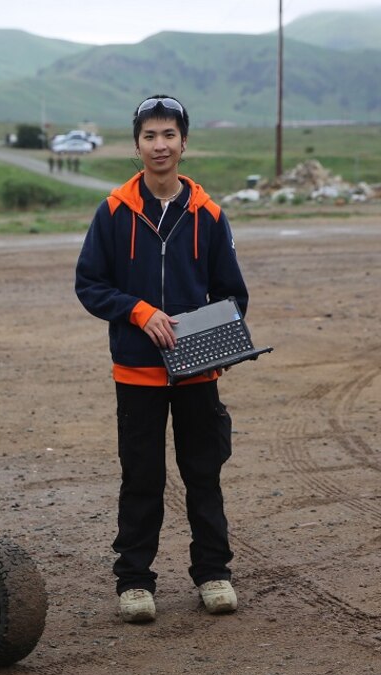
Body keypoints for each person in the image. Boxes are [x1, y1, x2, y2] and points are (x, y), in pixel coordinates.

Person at [75, 95, 249, 623]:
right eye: (150, 136)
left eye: (169, 135)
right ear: (137, 145)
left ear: (183, 143)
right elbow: (90, 284)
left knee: (203, 472)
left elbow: (233, 295)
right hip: (138, 372)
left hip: (197, 370)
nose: (160, 145)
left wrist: (203, 331)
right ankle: (134, 582)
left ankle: (214, 575)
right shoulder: (112, 212)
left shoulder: (210, 215)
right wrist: (138, 311)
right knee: (142, 476)